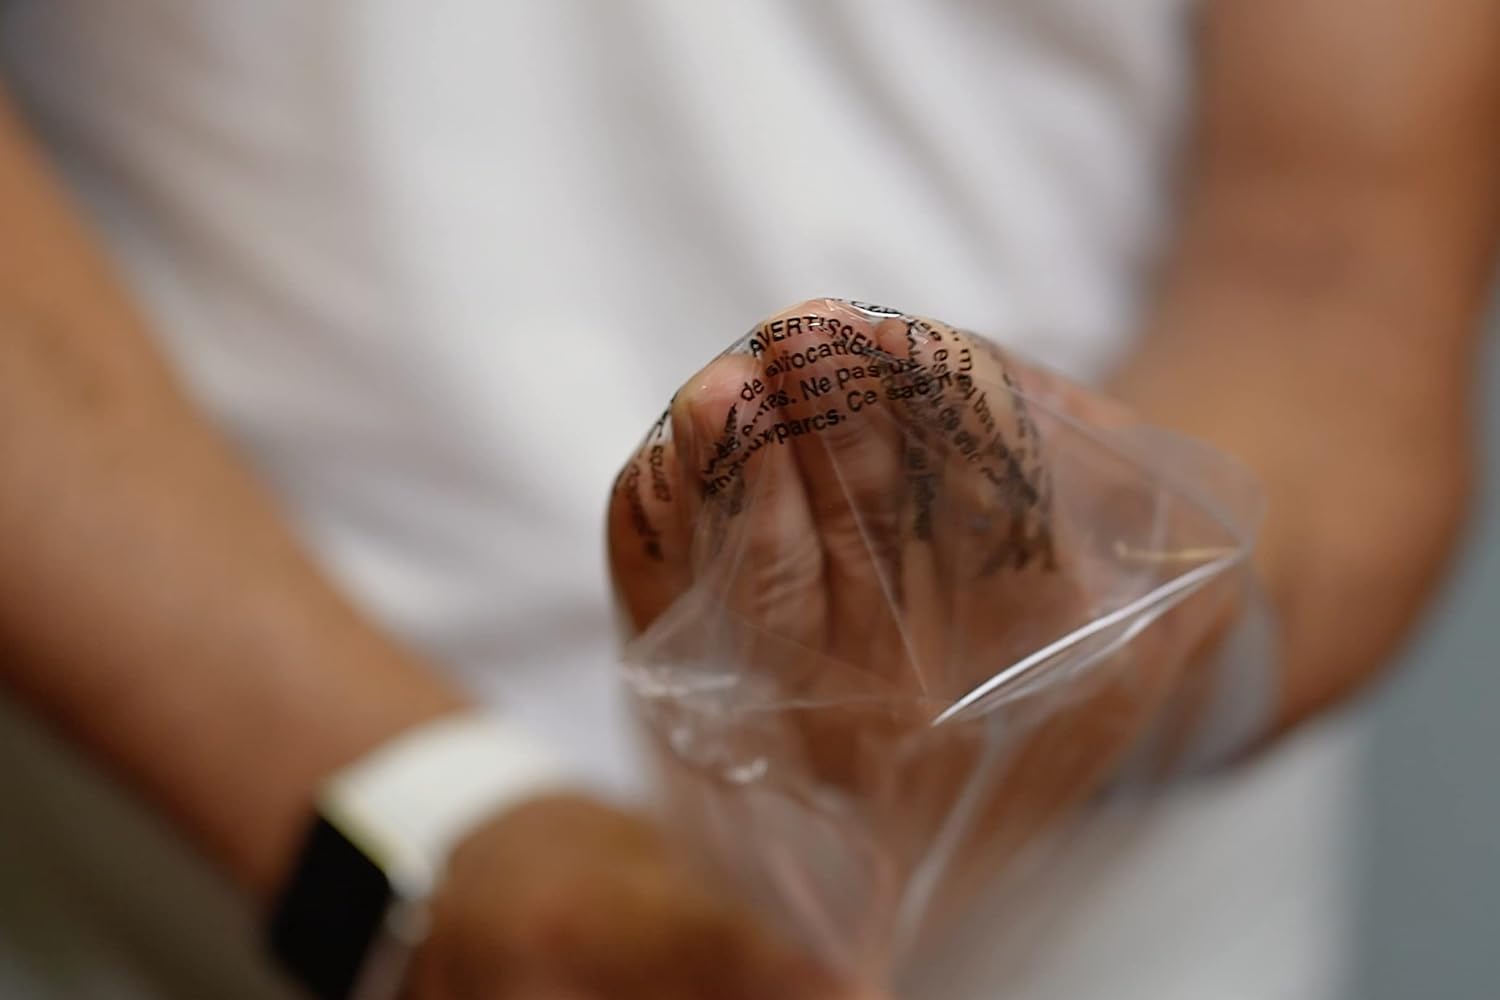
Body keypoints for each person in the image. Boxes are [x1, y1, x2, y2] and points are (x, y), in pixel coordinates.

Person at [0, 1, 1495, 998]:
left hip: (1111, 932)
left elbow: (1338, 271)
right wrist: (435, 832)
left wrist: (1118, 624)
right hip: (200, 860)